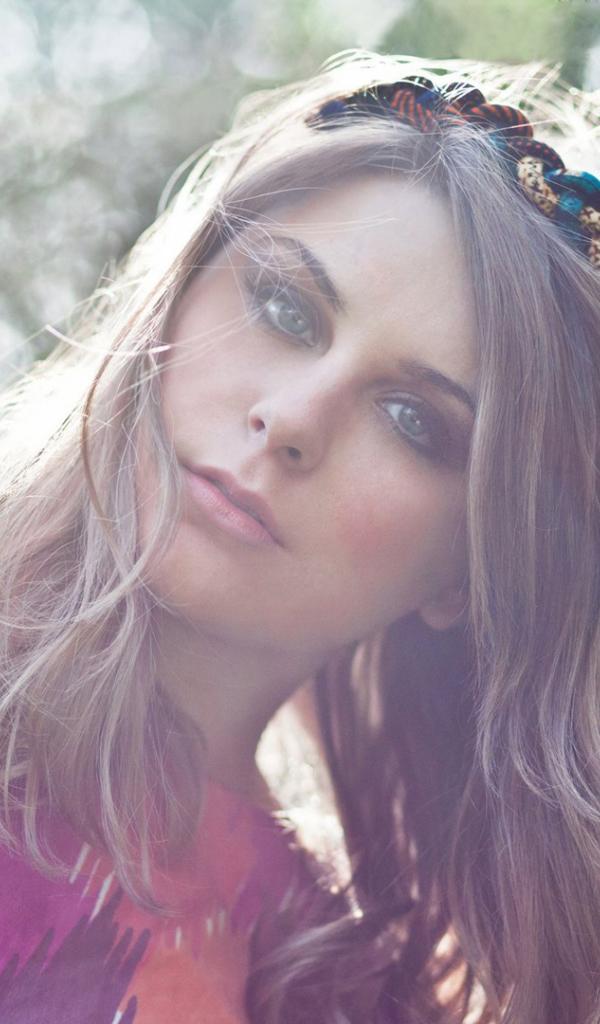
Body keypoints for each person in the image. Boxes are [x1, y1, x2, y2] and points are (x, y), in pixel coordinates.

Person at [0, 48, 598, 1024]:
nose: (291, 419)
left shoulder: (347, 994)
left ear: (469, 571)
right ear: (179, 291)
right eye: (284, 308)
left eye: (412, 420)